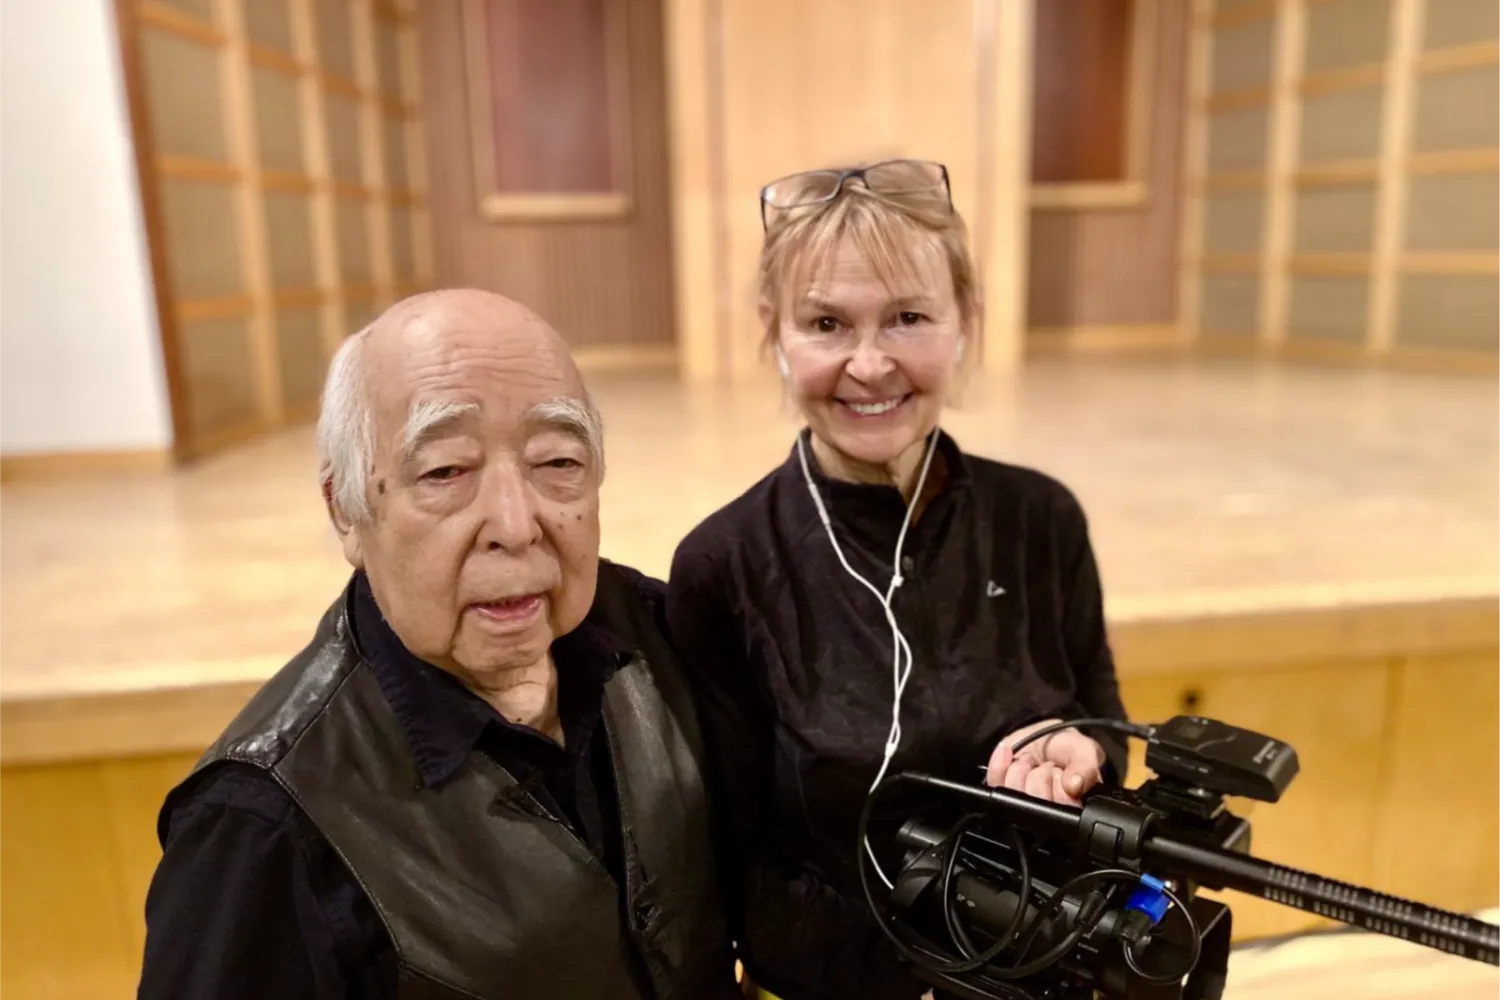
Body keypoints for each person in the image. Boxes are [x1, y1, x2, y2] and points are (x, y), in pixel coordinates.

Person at [138, 289, 741, 1000]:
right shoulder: (262, 824)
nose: (516, 525)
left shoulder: (664, 638)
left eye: (557, 462)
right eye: (446, 471)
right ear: (347, 508)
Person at [664, 160, 1130, 1000]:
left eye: (908, 317)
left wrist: (1086, 752)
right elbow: (722, 845)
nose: (870, 365)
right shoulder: (723, 564)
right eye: (827, 324)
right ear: (777, 333)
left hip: (1038, 970)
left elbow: (1110, 724)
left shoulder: (1041, 519)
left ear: (964, 322)